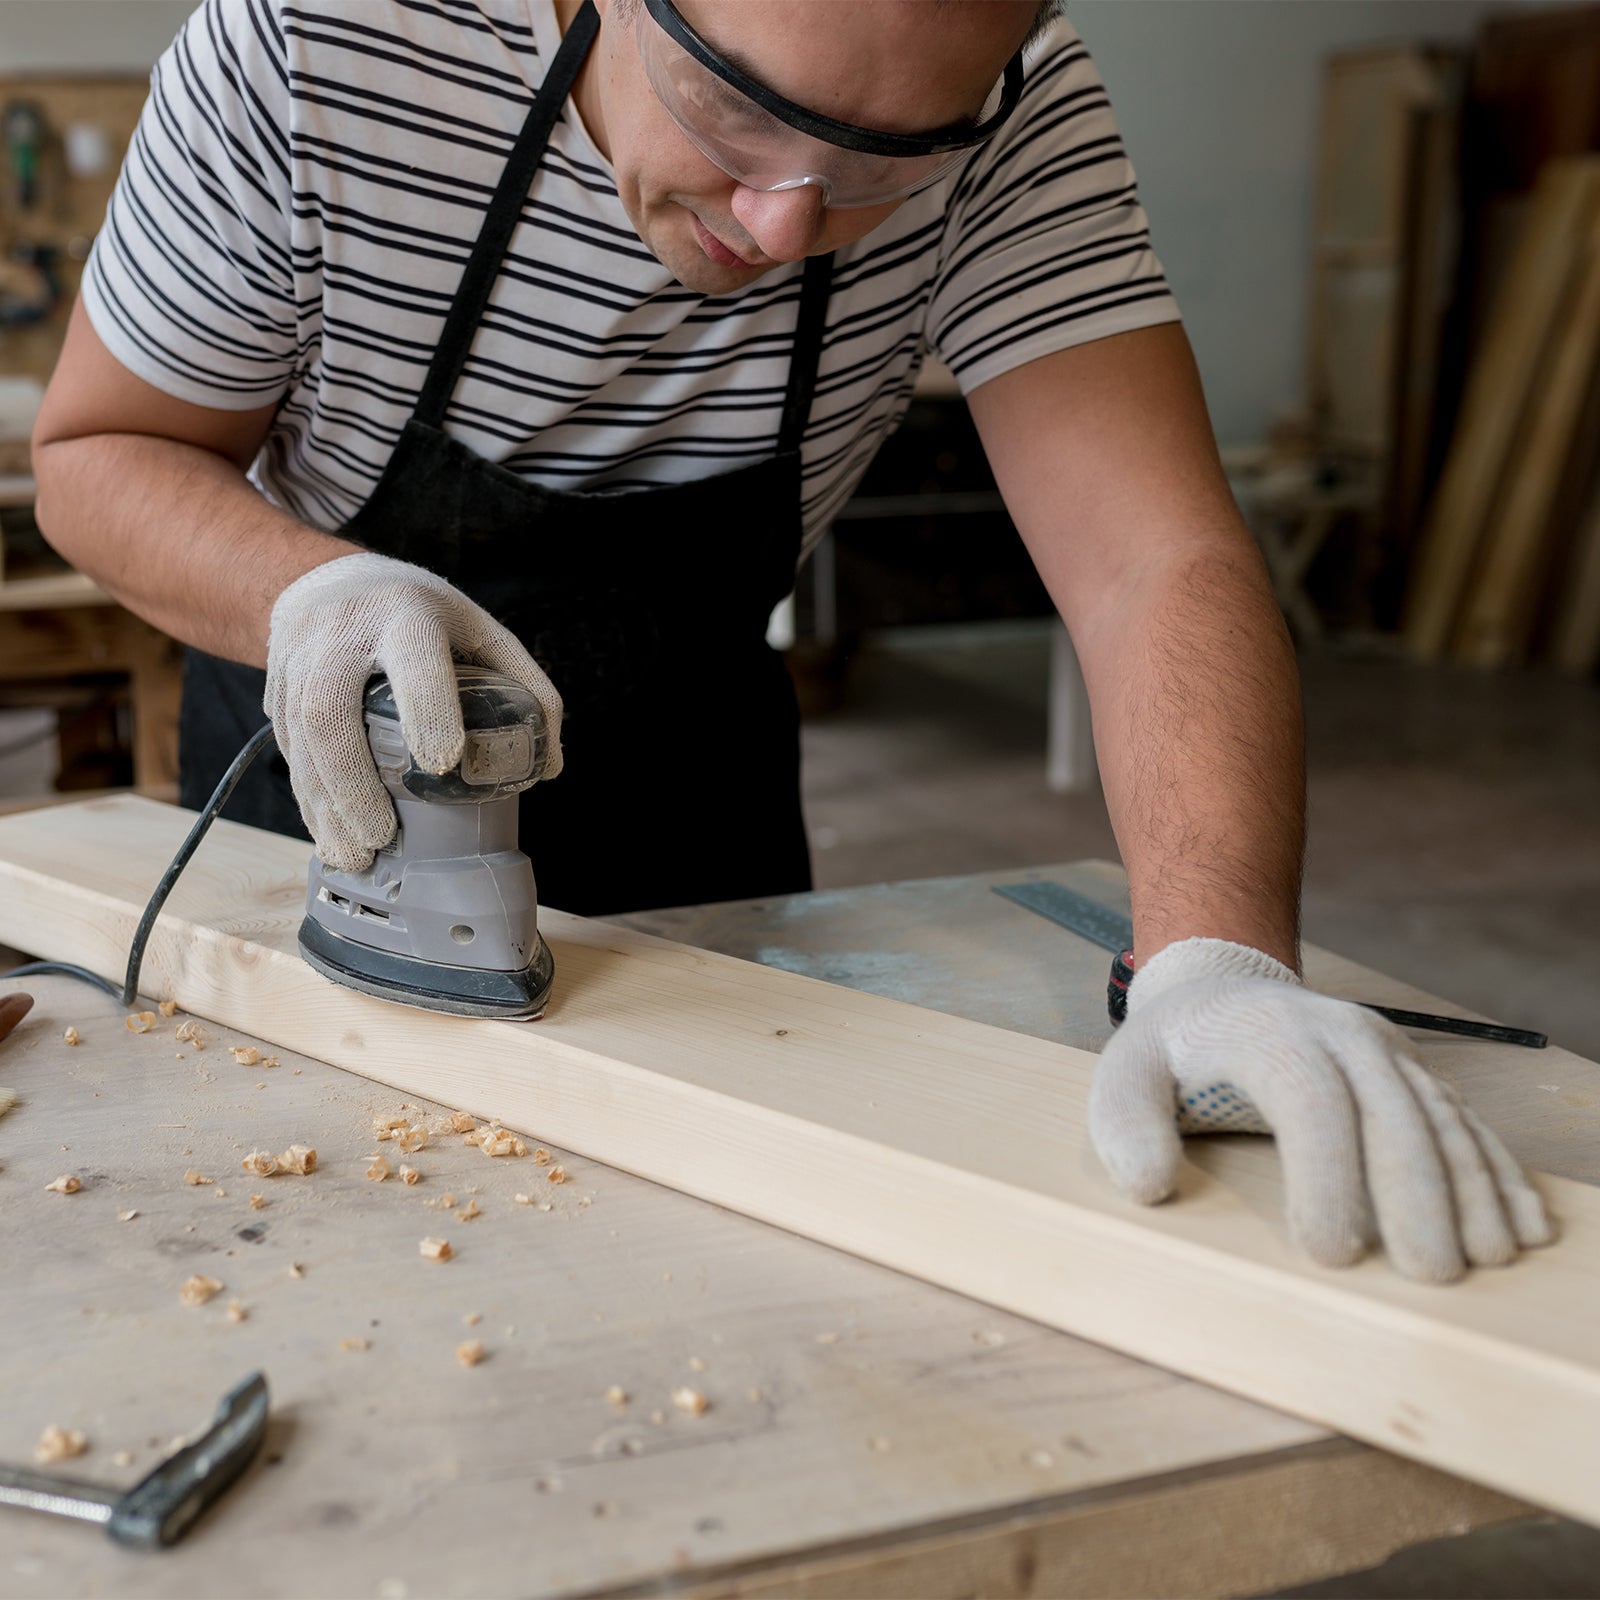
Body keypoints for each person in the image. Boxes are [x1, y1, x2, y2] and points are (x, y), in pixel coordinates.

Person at [31, 0, 1549, 1281]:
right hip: (329, 804)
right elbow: (97, 453)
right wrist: (311, 594)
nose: (786, 225)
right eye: (738, 111)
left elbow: (1153, 560)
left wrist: (1217, 958)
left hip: (704, 808)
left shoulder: (1011, 103)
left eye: (887, 163)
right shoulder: (316, 46)